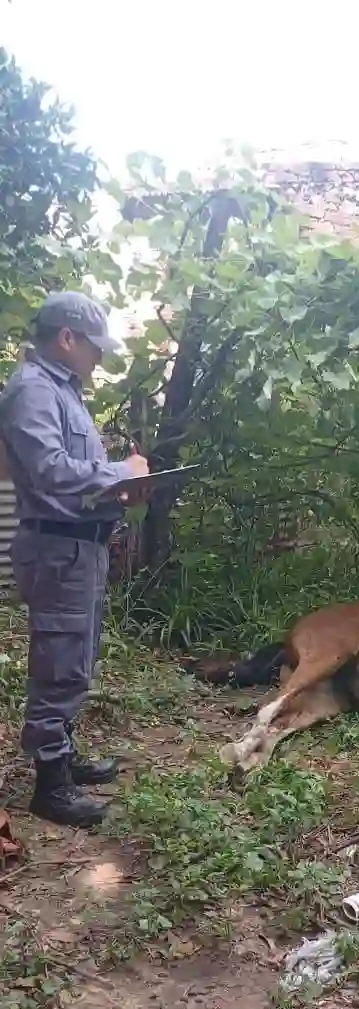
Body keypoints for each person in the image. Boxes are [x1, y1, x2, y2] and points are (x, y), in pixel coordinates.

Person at [0, 292, 150, 827]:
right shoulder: (34, 391)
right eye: (95, 347)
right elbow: (49, 470)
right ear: (67, 337)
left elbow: (74, 476)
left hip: (77, 545)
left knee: (75, 660)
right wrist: (121, 474)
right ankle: (51, 786)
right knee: (60, 664)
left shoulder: (62, 390)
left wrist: (119, 488)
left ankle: (61, 756)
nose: (99, 358)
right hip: (58, 547)